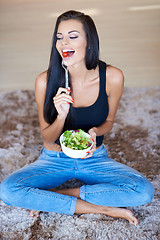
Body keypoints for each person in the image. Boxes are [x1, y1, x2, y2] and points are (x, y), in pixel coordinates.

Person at [0, 10, 154, 225]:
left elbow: (108, 122)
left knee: (143, 192)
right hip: (54, 159)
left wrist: (95, 132)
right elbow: (47, 138)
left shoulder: (112, 76)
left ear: (89, 41)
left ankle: (59, 195)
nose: (64, 43)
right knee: (8, 191)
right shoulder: (44, 81)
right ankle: (102, 209)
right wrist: (61, 116)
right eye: (59, 37)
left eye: (73, 36)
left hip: (95, 158)